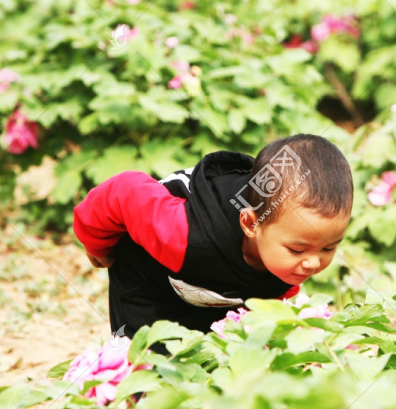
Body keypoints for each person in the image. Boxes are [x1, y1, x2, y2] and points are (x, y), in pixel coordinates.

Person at [72, 134, 353, 349]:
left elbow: (279, 294)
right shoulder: (182, 234)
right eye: (297, 249)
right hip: (149, 274)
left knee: (224, 354)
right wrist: (97, 244)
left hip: (215, 287)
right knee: (147, 359)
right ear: (251, 223)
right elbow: (124, 191)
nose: (314, 263)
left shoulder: (285, 246)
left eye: (329, 247)